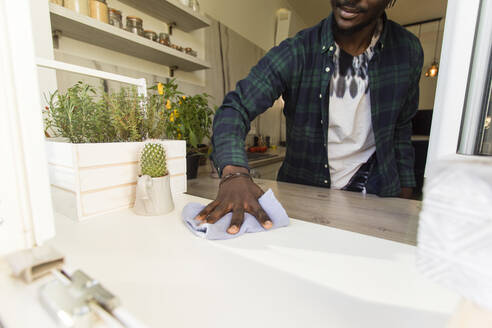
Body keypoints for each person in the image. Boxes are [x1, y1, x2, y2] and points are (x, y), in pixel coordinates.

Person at [196, 0, 424, 234]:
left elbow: (401, 128)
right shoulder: (297, 50)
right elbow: (235, 108)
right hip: (304, 196)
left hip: (375, 191)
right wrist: (234, 174)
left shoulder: (407, 50)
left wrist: (404, 194)